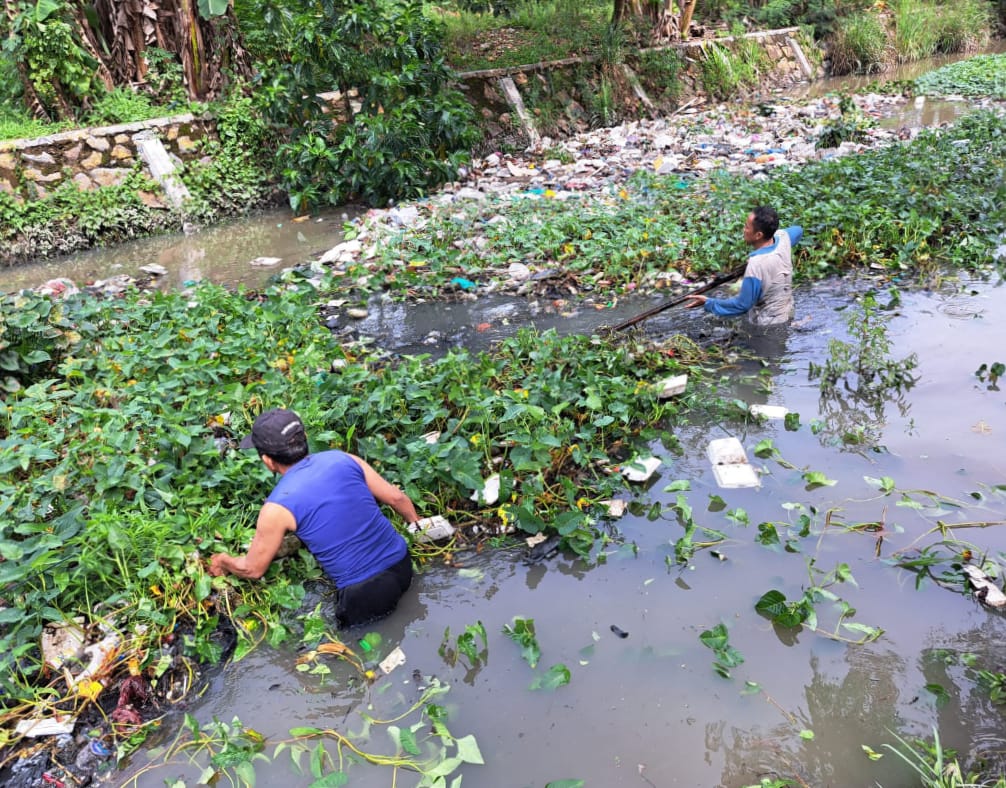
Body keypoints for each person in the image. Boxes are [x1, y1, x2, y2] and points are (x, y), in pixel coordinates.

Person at [209, 408, 419, 628]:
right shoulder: (343, 459)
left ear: (268, 461)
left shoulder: (277, 507)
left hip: (365, 593)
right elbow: (396, 498)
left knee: (362, 648)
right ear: (305, 439)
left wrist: (223, 560)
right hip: (402, 564)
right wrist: (417, 525)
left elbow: (252, 569)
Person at [684, 206, 802, 326]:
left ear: (758, 235)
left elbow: (741, 306)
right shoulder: (782, 239)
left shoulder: (756, 265)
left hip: (767, 325)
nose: (743, 229)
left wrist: (708, 302)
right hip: (787, 313)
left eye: (747, 226)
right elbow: (798, 230)